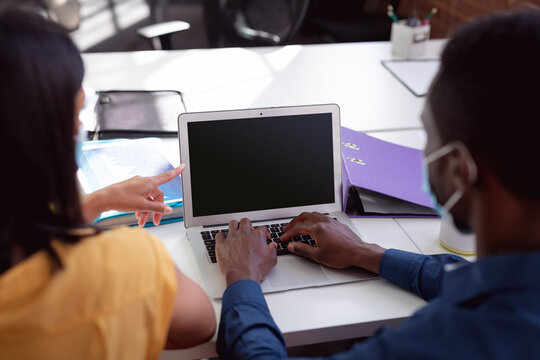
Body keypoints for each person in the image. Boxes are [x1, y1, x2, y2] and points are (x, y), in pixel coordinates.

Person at [214, 10, 540, 359]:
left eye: (427, 136)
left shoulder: (452, 339)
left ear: (460, 170)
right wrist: (365, 253)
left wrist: (242, 279)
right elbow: (471, 279)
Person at [0, 10, 216, 359]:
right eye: (78, 115)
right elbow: (201, 326)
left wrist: (95, 203)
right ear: (49, 141)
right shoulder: (125, 264)